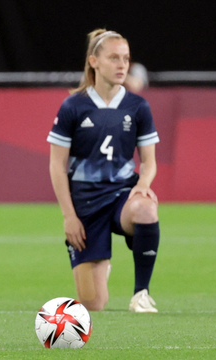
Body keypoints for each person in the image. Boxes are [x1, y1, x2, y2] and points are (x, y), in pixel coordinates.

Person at [47, 29, 161, 313]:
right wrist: (69, 217)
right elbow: (57, 165)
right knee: (92, 304)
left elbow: (148, 161)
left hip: (122, 196)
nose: (123, 65)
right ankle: (100, 264)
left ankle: (141, 293)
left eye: (126, 58)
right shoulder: (74, 106)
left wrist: (143, 183)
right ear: (94, 61)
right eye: (114, 58)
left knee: (146, 209)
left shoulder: (138, 106)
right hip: (85, 206)